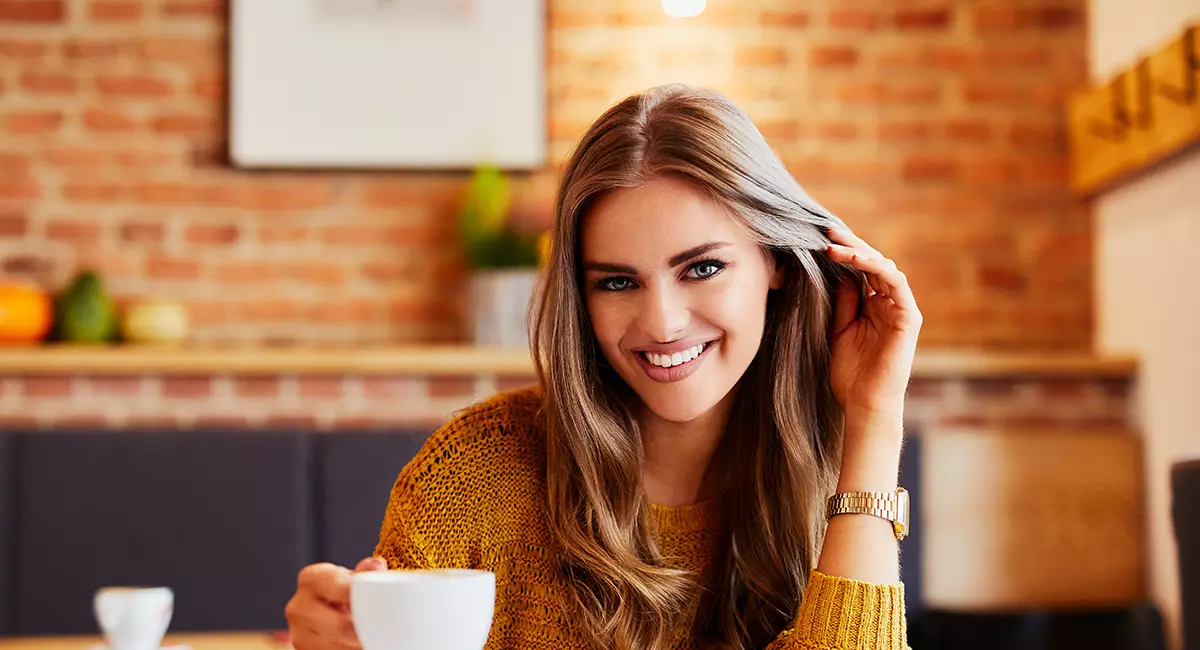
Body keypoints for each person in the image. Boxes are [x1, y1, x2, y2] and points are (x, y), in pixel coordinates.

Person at [285, 84, 921, 650]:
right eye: (618, 282)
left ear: (777, 261)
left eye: (701, 268)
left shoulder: (830, 463)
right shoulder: (475, 476)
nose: (663, 323)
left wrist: (873, 416)